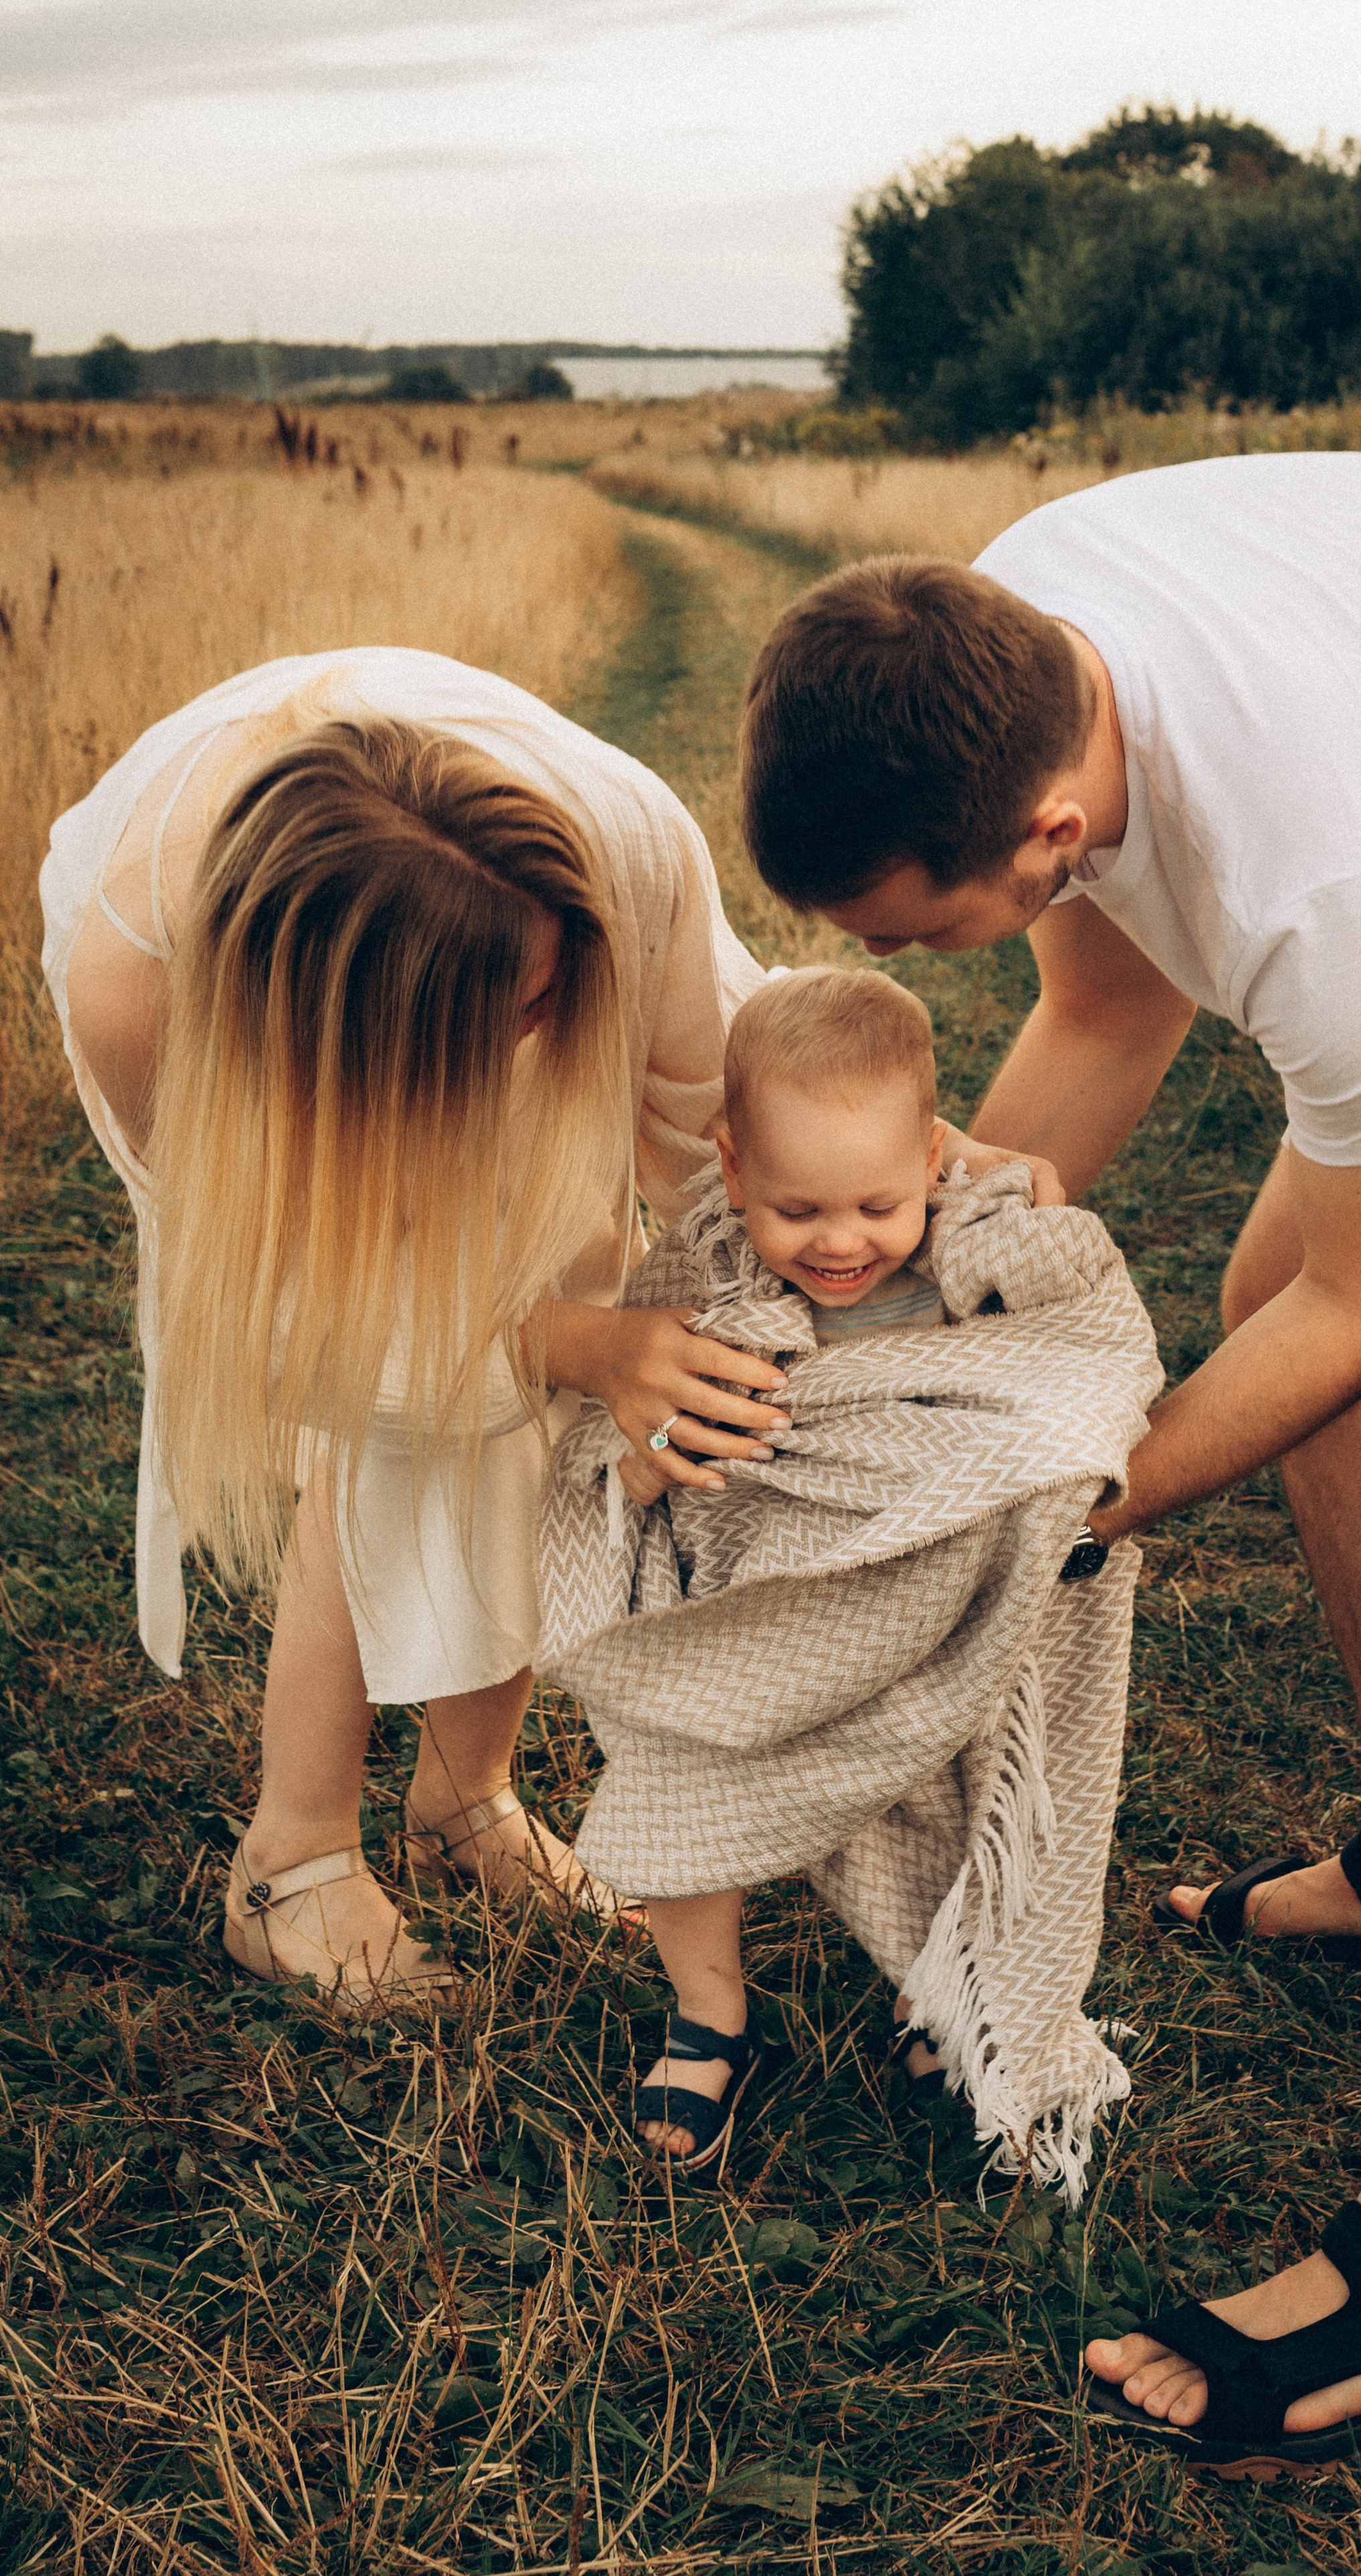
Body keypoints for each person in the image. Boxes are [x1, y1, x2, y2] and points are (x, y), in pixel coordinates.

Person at [734, 453, 1361, 2473]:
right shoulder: (1018, 644)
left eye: (937, 934)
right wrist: (895, 1368)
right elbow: (1101, 1005)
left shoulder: (1324, 878)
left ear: (1053, 822)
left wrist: (1063, 1506)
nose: (928, 974)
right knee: (1279, 1273)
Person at [39, 647, 800, 2009]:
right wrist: (562, 1345)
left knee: (592, 1284)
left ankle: (466, 1802)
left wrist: (740, 1335)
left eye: (550, 996)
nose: (541, 1041)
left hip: (452, 961)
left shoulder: (622, 850)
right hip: (272, 1044)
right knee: (401, 1411)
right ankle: (291, 1860)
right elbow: (317, 1339)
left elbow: (706, 1166)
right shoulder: (140, 987)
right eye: (506, 1026)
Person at [533, 967, 1160, 2189]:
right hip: (748, 1618)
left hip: (928, 1624)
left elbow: (1083, 1370)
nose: (839, 1242)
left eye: (876, 1203)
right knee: (681, 1779)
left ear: (934, 1160)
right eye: (796, 1207)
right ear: (728, 1165)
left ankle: (937, 1993)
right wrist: (650, 1468)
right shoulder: (702, 1282)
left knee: (942, 1794)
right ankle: (709, 2012)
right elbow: (625, 1448)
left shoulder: (985, 1265)